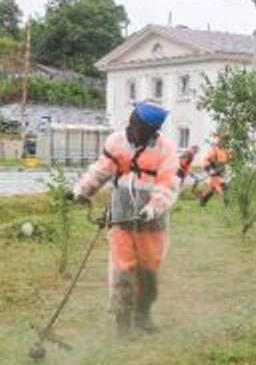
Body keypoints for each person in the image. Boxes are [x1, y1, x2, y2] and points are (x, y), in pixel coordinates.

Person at [68, 101, 178, 334]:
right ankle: (123, 321)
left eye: (144, 130)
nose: (136, 133)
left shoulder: (165, 150)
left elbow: (168, 185)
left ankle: (143, 314)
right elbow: (101, 171)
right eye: (136, 126)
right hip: (121, 218)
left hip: (152, 223)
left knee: (149, 270)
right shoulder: (116, 142)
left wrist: (153, 208)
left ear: (153, 131)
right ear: (131, 121)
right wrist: (81, 191)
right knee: (122, 269)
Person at [197, 136, 230, 208]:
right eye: (224, 141)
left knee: (212, 188)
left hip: (220, 170)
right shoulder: (214, 149)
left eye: (226, 141)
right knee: (222, 186)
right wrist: (210, 169)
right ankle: (228, 205)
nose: (225, 143)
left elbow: (228, 160)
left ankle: (202, 201)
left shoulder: (225, 150)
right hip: (213, 169)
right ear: (220, 141)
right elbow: (208, 159)